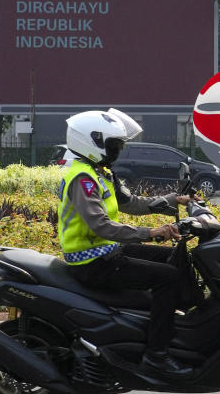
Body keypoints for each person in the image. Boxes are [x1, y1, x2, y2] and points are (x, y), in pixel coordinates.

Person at [58, 108, 193, 377]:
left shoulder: (99, 172)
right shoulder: (82, 179)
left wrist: (171, 200)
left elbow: (130, 203)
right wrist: (151, 232)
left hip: (106, 252)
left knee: (174, 257)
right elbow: (101, 226)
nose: (117, 151)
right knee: (167, 277)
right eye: (113, 146)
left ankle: (179, 325)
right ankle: (157, 355)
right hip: (91, 260)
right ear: (92, 142)